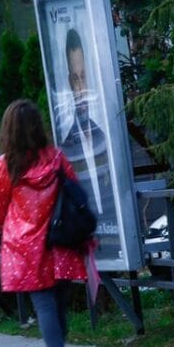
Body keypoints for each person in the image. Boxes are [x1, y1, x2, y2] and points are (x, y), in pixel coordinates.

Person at [0, 99, 88, 347]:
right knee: (57, 304)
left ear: (9, 130)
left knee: (44, 305)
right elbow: (75, 193)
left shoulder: (6, 166)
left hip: (25, 249)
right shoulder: (56, 158)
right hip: (61, 241)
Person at [58, 27, 111, 216]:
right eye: (75, 79)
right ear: (69, 83)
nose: (81, 90)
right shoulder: (65, 145)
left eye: (84, 78)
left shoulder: (106, 134)